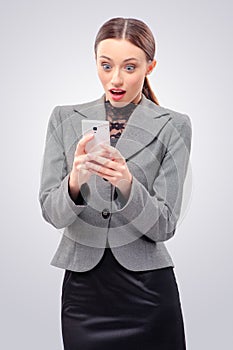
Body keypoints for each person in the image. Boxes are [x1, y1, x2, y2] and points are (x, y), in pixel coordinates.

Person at [39, 17, 192, 350]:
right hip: (84, 293)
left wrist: (126, 183)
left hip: (147, 292)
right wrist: (75, 180)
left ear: (150, 66)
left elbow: (165, 225)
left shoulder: (173, 126)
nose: (116, 79)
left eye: (130, 67)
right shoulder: (65, 119)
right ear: (95, 62)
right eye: (106, 65)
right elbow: (52, 213)